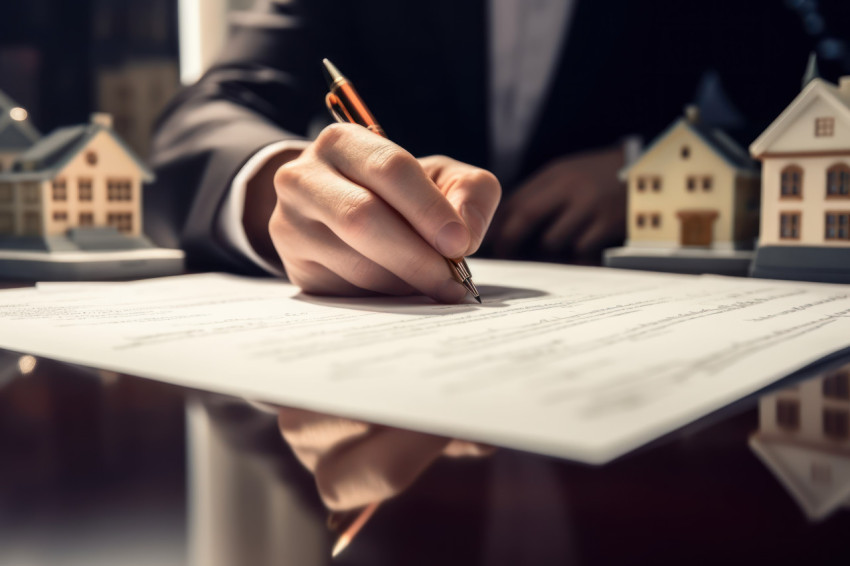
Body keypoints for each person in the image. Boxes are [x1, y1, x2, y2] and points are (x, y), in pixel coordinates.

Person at [148, 1, 846, 562]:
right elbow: (198, 120)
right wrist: (278, 186)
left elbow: (814, 93)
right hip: (407, 452)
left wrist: (650, 168)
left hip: (648, 428)